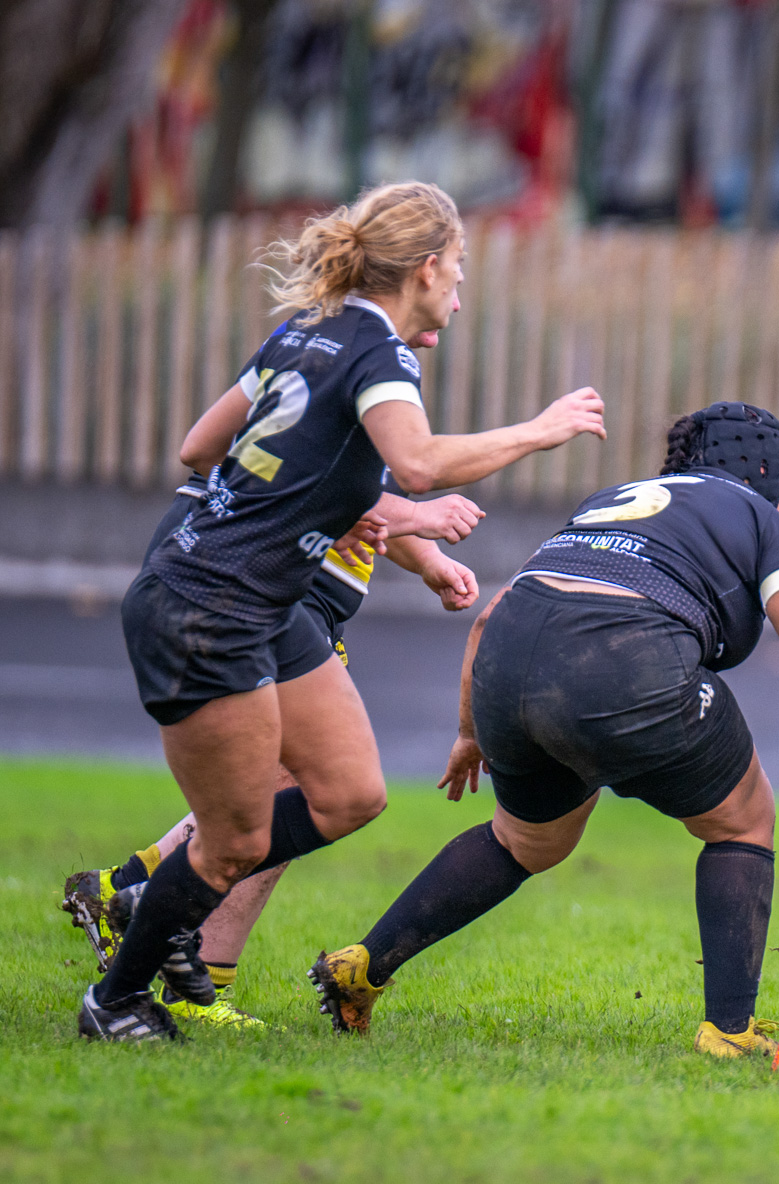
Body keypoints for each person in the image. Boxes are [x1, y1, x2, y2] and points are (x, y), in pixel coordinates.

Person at [81, 181, 607, 1041]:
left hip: (255, 593)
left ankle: (153, 890)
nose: (462, 291)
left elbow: (199, 448)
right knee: (236, 840)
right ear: (428, 267)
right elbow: (421, 462)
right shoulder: (379, 350)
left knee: (350, 792)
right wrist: (539, 430)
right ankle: (115, 1000)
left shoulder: (305, 331)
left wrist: (335, 504)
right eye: (460, 270)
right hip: (210, 603)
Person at [309, 405, 779, 1064]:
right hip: (625, 658)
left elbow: (493, 615)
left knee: (524, 841)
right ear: (773, 476)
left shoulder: (616, 502)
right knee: (744, 821)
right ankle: (730, 1031)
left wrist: (470, 732)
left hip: (510, 664)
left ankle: (362, 967)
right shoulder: (761, 518)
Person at [61, 460, 482, 1029]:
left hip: (297, 600)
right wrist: (534, 432)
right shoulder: (351, 383)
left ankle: (132, 893)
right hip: (278, 594)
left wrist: (429, 558)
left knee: (292, 787)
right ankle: (162, 941)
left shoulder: (349, 398)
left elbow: (368, 503)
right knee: (317, 789)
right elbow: (350, 488)